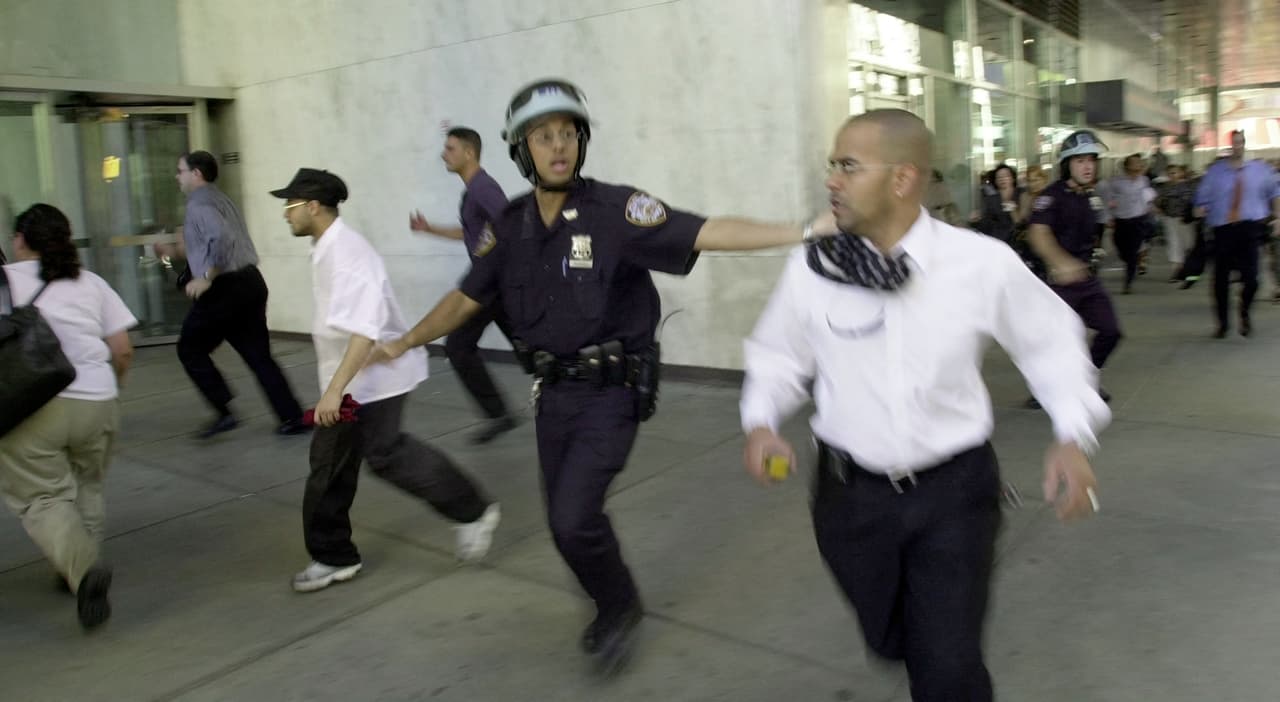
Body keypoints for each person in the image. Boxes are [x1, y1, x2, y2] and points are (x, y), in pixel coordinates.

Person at [368, 78, 831, 674]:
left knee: (572, 516)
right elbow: (466, 299)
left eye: (568, 134)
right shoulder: (507, 227)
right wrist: (404, 341)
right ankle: (614, 599)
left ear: (580, 144)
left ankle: (619, 608)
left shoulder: (616, 211)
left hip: (612, 391)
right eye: (543, 136)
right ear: (521, 149)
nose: (558, 146)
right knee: (566, 525)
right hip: (553, 394)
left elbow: (705, 231)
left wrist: (801, 231)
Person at [741, 110, 1108, 702]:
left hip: (954, 497)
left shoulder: (978, 263)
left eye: (848, 166)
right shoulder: (814, 267)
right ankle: (906, 638)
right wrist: (760, 420)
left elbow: (1052, 346)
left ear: (903, 178)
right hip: (848, 498)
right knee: (890, 639)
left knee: (948, 667)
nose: (832, 179)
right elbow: (778, 355)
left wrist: (1072, 434)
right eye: (831, 165)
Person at [271, 168, 500, 593]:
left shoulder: (349, 256)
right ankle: (467, 510)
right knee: (358, 459)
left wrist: (334, 392)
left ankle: (334, 554)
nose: (286, 214)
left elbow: (364, 334)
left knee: (359, 459)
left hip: (369, 378)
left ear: (314, 207)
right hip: (359, 377)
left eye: (291, 206)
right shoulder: (328, 247)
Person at [0, 204, 137, 630]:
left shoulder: (5, 283)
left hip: (32, 406)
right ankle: (77, 569)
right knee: (88, 484)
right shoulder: (91, 282)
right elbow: (123, 350)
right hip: (97, 397)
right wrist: (111, 390)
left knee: (41, 497)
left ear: (20, 240)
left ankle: (81, 571)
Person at [175, 150, 308, 438]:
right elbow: (217, 240)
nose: (177, 177)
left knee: (189, 347)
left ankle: (224, 410)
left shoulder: (198, 204)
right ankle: (292, 416)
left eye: (180, 171)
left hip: (225, 288)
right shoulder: (221, 199)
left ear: (196, 174)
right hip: (249, 282)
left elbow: (222, 239)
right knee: (259, 355)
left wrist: (207, 277)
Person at [409, 127, 521, 444]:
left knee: (458, 346)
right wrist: (429, 229)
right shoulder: (472, 191)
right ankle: (576, 393)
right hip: (494, 283)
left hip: (491, 283)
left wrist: (489, 259)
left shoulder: (483, 187)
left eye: (451, 148)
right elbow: (470, 233)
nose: (445, 154)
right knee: (530, 348)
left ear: (469, 152)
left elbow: (507, 224)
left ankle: (500, 414)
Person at [1027, 130, 1123, 404]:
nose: (1087, 166)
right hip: (1059, 285)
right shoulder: (1051, 197)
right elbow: (1038, 233)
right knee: (1059, 341)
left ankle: (1085, 380)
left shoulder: (1090, 197)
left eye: (1091, 160)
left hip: (1088, 281)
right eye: (1080, 160)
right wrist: (1061, 262)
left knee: (1110, 331)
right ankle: (1045, 389)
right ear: (1067, 164)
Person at [1192, 130, 1280, 338]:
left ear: (1245, 144)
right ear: (1229, 145)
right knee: (1220, 280)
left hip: (1249, 229)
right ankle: (1222, 323)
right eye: (1234, 143)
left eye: (1241, 142)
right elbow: (1201, 197)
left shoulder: (1260, 170)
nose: (1237, 146)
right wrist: (1201, 207)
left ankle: (1244, 312)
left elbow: (1275, 193)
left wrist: (1278, 217)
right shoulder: (1215, 171)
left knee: (1252, 280)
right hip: (1223, 230)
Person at [1105, 154, 1156, 294]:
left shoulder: (1144, 180)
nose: (1138, 165)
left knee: (1133, 251)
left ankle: (1128, 282)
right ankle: (1130, 261)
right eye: (1134, 163)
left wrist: (1151, 207)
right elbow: (1109, 200)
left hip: (1138, 220)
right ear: (1127, 165)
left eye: (1139, 163)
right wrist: (1109, 216)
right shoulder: (1116, 182)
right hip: (1121, 220)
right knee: (1121, 248)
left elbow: (1148, 197)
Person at [1155, 164, 1195, 281]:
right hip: (1170, 219)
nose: (1172, 175)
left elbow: (1190, 202)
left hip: (1184, 220)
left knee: (1187, 244)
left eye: (1174, 172)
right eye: (1170, 173)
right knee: (1174, 244)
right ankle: (1177, 270)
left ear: (1181, 173)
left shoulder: (1187, 187)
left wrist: (1188, 215)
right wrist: (1160, 209)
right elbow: (1159, 201)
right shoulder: (1165, 188)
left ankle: (1188, 268)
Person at [969, 162, 1026, 244]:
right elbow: (985, 225)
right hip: (997, 241)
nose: (1002, 179)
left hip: (1019, 242)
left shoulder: (1022, 194)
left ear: (1013, 178)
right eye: (999, 177)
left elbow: (1023, 222)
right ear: (995, 181)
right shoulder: (991, 200)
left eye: (1006, 176)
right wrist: (975, 222)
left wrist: (1013, 210)